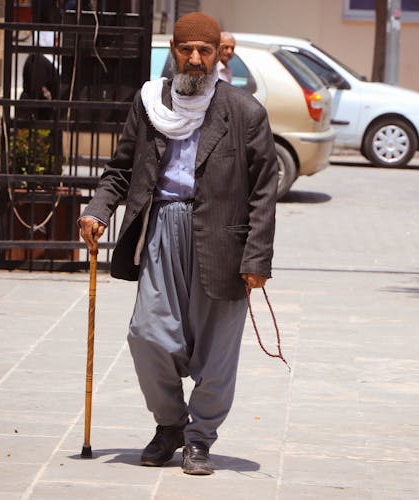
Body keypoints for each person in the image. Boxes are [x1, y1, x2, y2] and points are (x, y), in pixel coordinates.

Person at [78, 12, 278, 475]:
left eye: (203, 51)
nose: (194, 59)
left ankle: (199, 439)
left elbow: (264, 191)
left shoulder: (244, 111)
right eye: (186, 49)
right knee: (146, 334)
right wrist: (97, 210)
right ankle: (169, 423)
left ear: (216, 55)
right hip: (161, 230)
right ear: (173, 51)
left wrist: (257, 258)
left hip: (222, 238)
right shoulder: (150, 102)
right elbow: (121, 169)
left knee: (217, 349)